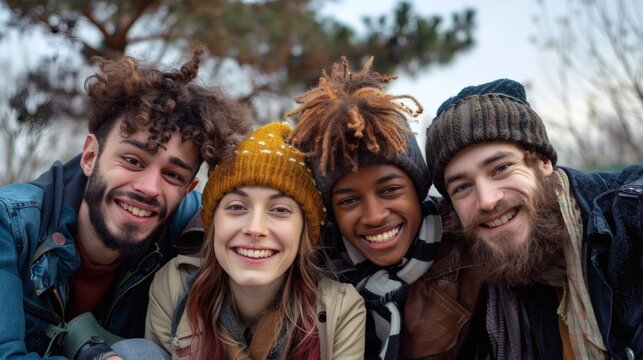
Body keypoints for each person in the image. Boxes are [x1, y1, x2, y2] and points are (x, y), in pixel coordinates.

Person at [0, 47, 252, 359]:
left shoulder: (188, 226)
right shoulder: (10, 223)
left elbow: (261, 224)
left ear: (189, 189)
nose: (149, 188)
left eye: (172, 175)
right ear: (91, 157)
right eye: (133, 160)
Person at [425, 78, 643, 360]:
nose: (487, 200)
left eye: (501, 168)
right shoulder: (492, 280)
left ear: (543, 162)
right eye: (462, 187)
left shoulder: (629, 218)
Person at [287, 56, 484, 360]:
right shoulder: (311, 273)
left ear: (418, 187)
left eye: (390, 190)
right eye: (349, 200)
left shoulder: (474, 251)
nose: (375, 216)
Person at [144, 122, 366, 360]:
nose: (254, 229)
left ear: (304, 231)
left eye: (279, 210)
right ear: (213, 221)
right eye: (237, 207)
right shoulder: (173, 286)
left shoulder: (341, 310)